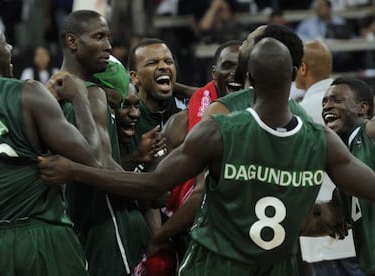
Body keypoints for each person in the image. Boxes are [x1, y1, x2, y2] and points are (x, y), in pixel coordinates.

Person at [38, 37, 375, 275]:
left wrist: (75, 171)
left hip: (216, 265)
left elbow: (150, 184)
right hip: (277, 266)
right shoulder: (322, 140)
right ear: (293, 77)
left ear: (250, 79)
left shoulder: (219, 130)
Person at [0, 20, 101, 275]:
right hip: (45, 237)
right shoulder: (28, 92)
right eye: (5, 43)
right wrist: (80, 97)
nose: (11, 47)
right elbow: (91, 157)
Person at [58, 10, 151, 275]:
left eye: (108, 37)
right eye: (99, 37)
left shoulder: (47, 93)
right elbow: (101, 164)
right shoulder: (91, 94)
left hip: (75, 226)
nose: (108, 46)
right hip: (108, 224)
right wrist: (150, 189)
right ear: (72, 42)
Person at [150, 40, 242, 262]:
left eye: (241, 67)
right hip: (193, 231)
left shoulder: (261, 118)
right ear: (214, 72)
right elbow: (157, 188)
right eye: (227, 66)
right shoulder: (180, 123)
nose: (234, 73)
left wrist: (157, 237)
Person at [296, 40, 364, 276]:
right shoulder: (357, 105)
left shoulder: (298, 114)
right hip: (363, 230)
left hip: (325, 234)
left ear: (302, 68)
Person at [322, 77, 375, 275]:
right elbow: (329, 222)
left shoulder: (369, 131)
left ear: (362, 108)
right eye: (325, 102)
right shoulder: (345, 166)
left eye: (336, 100)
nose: (327, 106)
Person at [124, 38, 178, 172]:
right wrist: (136, 156)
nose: (163, 66)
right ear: (135, 77)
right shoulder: (124, 118)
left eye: (168, 61)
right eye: (152, 63)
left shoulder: (192, 108)